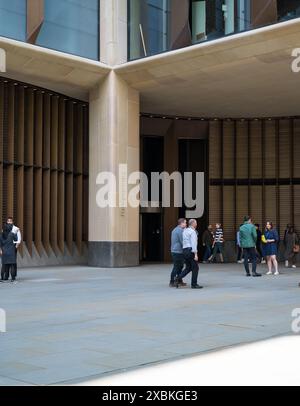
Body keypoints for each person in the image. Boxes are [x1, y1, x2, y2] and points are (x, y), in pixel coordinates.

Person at [176, 219, 203, 289]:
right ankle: (194, 284)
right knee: (195, 268)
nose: (196, 224)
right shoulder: (192, 232)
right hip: (190, 250)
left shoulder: (185, 231)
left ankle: (178, 278)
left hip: (185, 250)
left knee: (188, 267)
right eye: (196, 223)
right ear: (193, 224)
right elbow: (194, 243)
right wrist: (196, 254)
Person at [169, 219, 188, 288]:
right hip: (178, 251)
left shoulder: (175, 229)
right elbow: (182, 241)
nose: (186, 224)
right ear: (181, 223)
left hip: (175, 251)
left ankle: (179, 280)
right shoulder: (180, 230)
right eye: (185, 223)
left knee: (180, 266)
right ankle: (172, 281)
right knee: (177, 267)